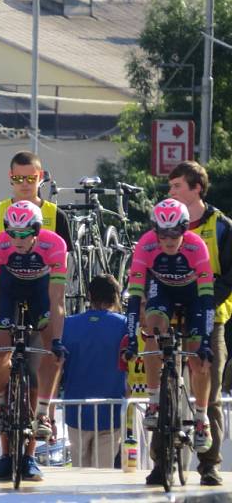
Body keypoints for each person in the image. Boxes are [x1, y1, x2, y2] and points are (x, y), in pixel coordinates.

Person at [123, 198, 216, 480]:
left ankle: (201, 419)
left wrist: (207, 341)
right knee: (152, 329)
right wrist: (130, 338)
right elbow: (134, 297)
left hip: (193, 298)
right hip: (161, 291)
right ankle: (154, 399)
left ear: (184, 230)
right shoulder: (146, 245)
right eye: (162, 234)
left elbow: (207, 298)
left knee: (199, 356)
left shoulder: (196, 246)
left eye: (173, 233)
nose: (167, 240)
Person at [0, 201, 68, 482]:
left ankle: (41, 415)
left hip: (40, 295)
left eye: (23, 234)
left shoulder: (54, 245)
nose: (16, 240)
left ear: (37, 231)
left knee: (52, 354)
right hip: (7, 294)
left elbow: (57, 299)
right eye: (12, 233)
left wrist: (55, 340)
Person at [164, 161, 231, 486]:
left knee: (210, 391)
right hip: (171, 312)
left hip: (209, 317)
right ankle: (160, 463)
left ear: (196, 188)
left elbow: (229, 275)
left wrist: (207, 301)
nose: (171, 192)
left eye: (177, 186)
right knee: (164, 389)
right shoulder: (163, 221)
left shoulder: (221, 226)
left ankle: (209, 465)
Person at [62, 274, 126, 468]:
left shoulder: (68, 324)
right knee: (103, 472)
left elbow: (58, 365)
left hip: (76, 409)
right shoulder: (124, 325)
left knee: (79, 469)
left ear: (89, 295)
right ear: (116, 296)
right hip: (111, 410)